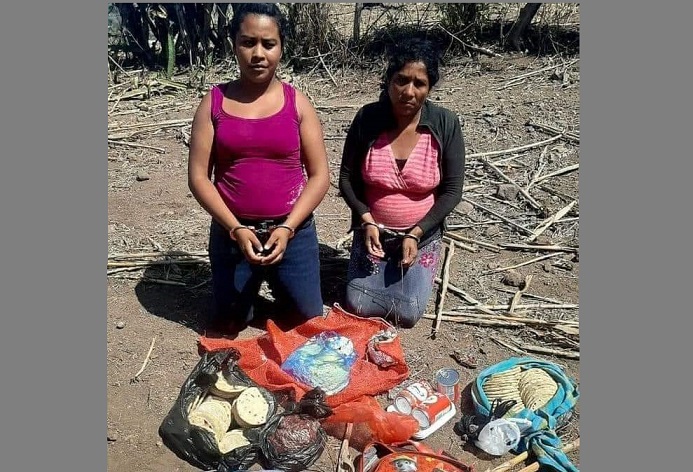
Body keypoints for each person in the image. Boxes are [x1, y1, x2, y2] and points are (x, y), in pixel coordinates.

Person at [188, 3, 330, 335]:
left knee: (306, 324)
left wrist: (288, 228)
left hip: (292, 235)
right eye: (247, 42)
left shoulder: (298, 103)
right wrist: (235, 229)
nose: (258, 54)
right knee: (230, 323)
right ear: (233, 45)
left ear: (281, 47)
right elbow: (198, 177)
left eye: (268, 44)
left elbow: (320, 176)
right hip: (232, 236)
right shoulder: (214, 103)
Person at [338, 38, 465, 328]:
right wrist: (366, 219)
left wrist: (416, 233)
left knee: (407, 312)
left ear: (429, 87)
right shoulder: (367, 118)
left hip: (421, 236)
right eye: (401, 80)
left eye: (419, 84)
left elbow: (452, 191)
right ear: (388, 81)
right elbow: (346, 179)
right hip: (373, 234)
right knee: (357, 304)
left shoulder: (445, 124)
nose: (408, 91)